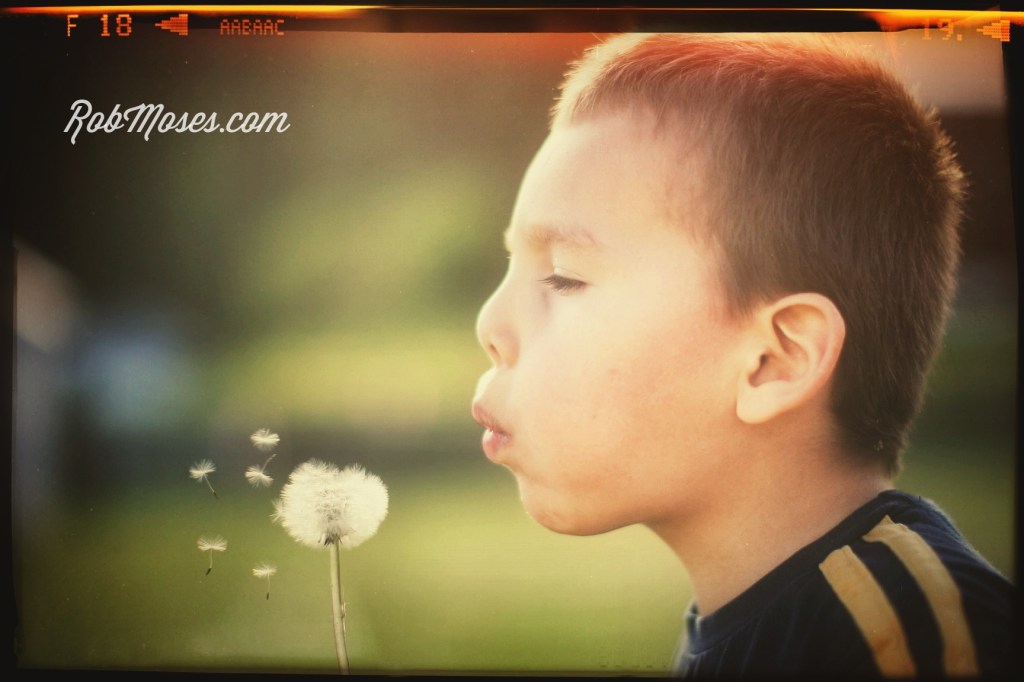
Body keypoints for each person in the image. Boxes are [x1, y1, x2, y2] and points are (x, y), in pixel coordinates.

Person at [470, 33, 1015, 677]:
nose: (489, 323)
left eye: (563, 274)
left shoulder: (920, 646)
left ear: (774, 360)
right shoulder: (756, 626)